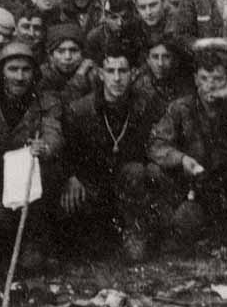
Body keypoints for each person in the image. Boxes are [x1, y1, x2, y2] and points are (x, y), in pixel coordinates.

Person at [62, 40, 174, 261]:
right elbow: (67, 150)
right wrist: (70, 176)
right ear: (101, 74)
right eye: (110, 71)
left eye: (122, 71)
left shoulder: (146, 106)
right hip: (92, 182)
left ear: (132, 74)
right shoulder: (80, 109)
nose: (116, 78)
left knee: (138, 171)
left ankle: (135, 230)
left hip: (129, 182)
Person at [149, 41, 227, 242]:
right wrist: (182, 159)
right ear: (195, 80)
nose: (210, 85)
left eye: (217, 79)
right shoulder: (181, 108)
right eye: (204, 78)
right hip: (195, 184)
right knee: (183, 222)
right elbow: (156, 146)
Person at [0, 42, 63, 271]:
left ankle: (35, 243)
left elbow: (54, 133)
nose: (20, 77)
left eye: (26, 70)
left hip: (29, 185)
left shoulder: (46, 102)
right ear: (1, 72)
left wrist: (45, 147)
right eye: (13, 69)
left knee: (49, 174)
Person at [131, 32, 193, 121]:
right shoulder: (139, 86)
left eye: (166, 57)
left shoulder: (184, 83)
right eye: (155, 57)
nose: (160, 63)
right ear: (148, 60)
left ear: (174, 60)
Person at [39, 23, 95, 104]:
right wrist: (79, 76)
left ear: (82, 54)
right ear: (51, 55)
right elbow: (60, 104)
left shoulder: (91, 72)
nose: (68, 57)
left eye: (74, 50)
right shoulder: (42, 75)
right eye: (61, 51)